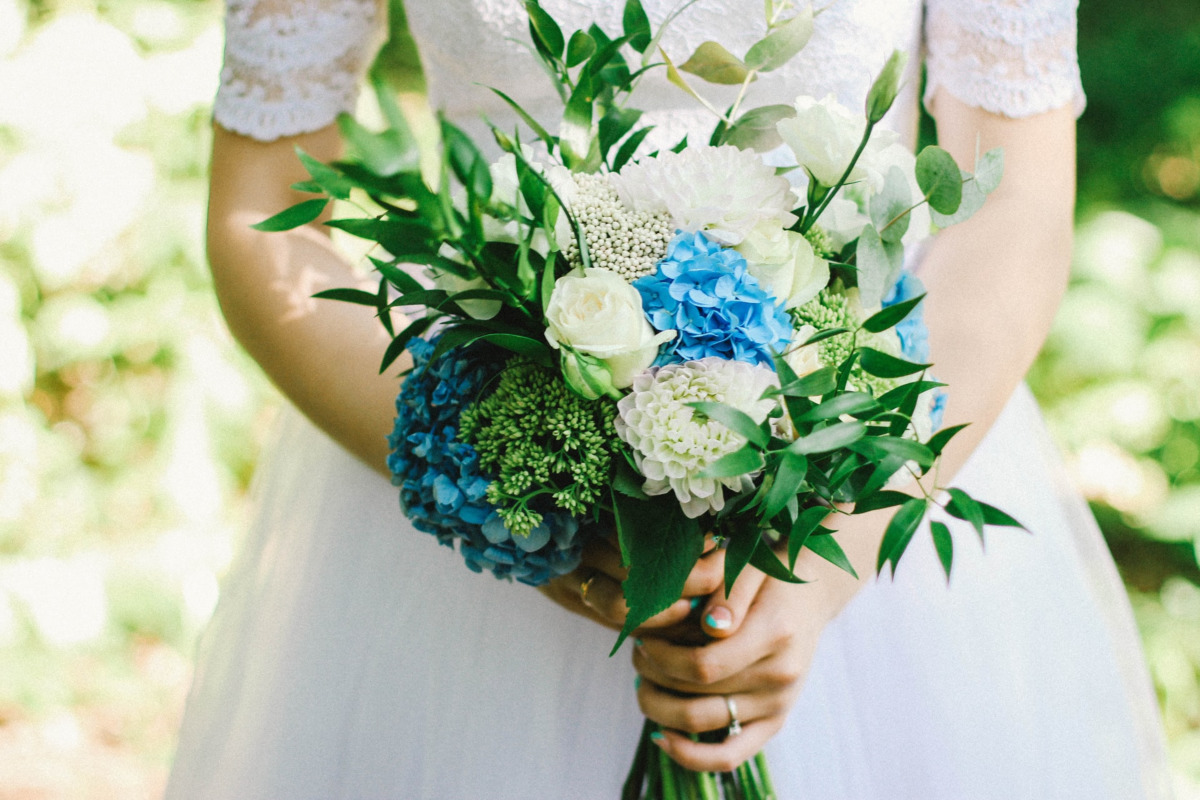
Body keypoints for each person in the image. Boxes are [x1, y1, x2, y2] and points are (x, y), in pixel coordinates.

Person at [166, 0, 1173, 797]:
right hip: (497, 479)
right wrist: (503, 482)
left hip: (869, 468)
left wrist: (824, 565)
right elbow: (263, 212)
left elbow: (1016, 200)